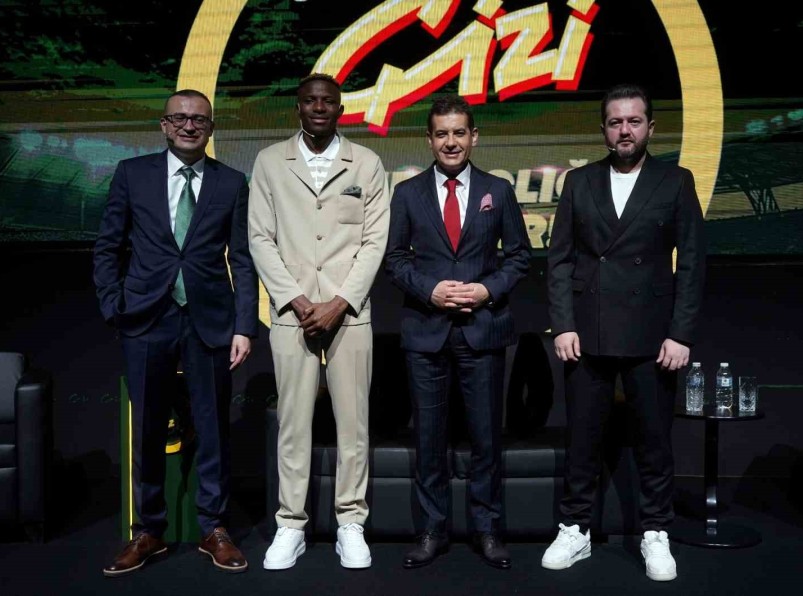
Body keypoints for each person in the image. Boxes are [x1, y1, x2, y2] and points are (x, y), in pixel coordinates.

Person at [544, 82, 706, 581]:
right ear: (604, 129)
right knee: (583, 439)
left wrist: (680, 333)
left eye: (634, 121)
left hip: (651, 335)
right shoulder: (580, 181)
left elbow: (692, 263)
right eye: (616, 122)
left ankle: (655, 532)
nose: (625, 130)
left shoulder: (675, 181)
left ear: (650, 127)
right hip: (586, 330)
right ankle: (575, 529)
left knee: (654, 441)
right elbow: (559, 260)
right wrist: (563, 324)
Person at [93, 89, 258, 576]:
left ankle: (214, 528)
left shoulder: (232, 181)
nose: (189, 126)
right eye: (180, 118)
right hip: (146, 318)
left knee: (212, 428)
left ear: (211, 128)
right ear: (164, 125)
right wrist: (113, 306)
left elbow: (242, 260)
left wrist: (244, 326)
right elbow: (108, 246)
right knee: (148, 428)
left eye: (199, 120)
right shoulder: (132, 174)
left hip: (210, 320)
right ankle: (149, 530)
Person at [248, 73, 390, 570]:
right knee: (293, 424)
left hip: (350, 314)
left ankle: (351, 522)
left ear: (340, 109)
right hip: (293, 315)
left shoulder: (367, 163)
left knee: (354, 424)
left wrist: (340, 301)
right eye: (310, 100)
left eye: (328, 101)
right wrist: (295, 299)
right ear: (298, 108)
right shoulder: (270, 162)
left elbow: (375, 241)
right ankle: (291, 524)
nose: (319, 107)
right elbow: (260, 238)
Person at [384, 95, 531, 569]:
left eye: (459, 132)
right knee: (430, 440)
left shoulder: (498, 190)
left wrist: (487, 290)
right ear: (429, 140)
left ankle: (487, 530)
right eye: (442, 133)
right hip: (426, 332)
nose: (451, 142)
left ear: (474, 137)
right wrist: (430, 291)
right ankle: (432, 530)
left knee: (486, 439)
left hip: (482, 331)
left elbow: (519, 257)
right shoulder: (407, 193)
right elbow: (395, 259)